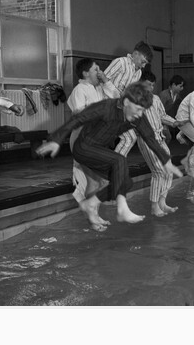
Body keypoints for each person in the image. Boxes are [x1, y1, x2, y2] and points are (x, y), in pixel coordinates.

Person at [36, 82, 182, 232]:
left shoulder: (137, 117)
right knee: (119, 160)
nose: (139, 114)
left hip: (100, 151)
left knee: (125, 182)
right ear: (126, 102)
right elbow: (77, 119)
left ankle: (91, 204)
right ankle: (122, 209)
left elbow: (150, 138)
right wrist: (56, 140)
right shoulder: (105, 107)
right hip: (84, 147)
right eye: (138, 109)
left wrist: (166, 161)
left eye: (142, 110)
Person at [67, 58, 117, 206]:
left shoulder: (98, 89)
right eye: (96, 69)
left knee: (101, 179)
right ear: (85, 73)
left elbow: (116, 97)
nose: (100, 72)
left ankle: (93, 208)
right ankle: (91, 212)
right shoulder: (80, 90)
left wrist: (106, 81)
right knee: (93, 181)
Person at [139, 72, 186, 216]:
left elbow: (162, 115)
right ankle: (154, 206)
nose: (151, 88)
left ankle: (162, 202)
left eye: (153, 85)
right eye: (148, 84)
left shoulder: (156, 98)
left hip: (159, 137)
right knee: (158, 171)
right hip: (147, 139)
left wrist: (175, 122)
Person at [103, 41, 153, 157]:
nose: (144, 66)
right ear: (135, 54)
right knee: (127, 139)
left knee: (129, 139)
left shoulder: (138, 72)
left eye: (146, 63)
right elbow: (102, 81)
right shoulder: (120, 63)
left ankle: (115, 166)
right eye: (143, 62)